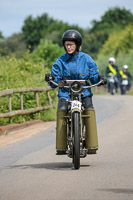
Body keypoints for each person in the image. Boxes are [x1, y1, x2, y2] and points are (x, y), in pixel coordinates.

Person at [45, 30, 107, 155]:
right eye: (67, 45)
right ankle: (61, 146)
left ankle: (92, 144)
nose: (68, 47)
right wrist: (51, 78)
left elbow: (94, 76)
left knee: (89, 108)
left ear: (77, 45)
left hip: (84, 92)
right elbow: (54, 79)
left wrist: (100, 78)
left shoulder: (86, 59)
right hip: (65, 93)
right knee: (62, 109)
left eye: (71, 45)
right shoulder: (60, 61)